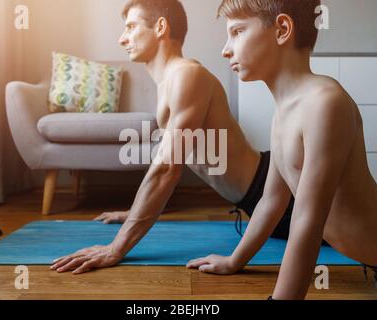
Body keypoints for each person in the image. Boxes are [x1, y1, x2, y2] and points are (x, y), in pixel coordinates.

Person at [50, 0, 296, 275]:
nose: (122, 39)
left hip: (276, 191)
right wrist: (134, 214)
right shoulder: (171, 81)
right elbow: (169, 162)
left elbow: (168, 168)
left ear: (160, 27)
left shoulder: (187, 76)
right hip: (256, 199)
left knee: (346, 237)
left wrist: (115, 248)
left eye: (131, 26)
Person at [187, 0, 377, 300]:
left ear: (282, 29)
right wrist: (234, 261)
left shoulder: (325, 103)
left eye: (237, 32)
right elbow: (272, 201)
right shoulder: (284, 111)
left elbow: (309, 219)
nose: (225, 49)